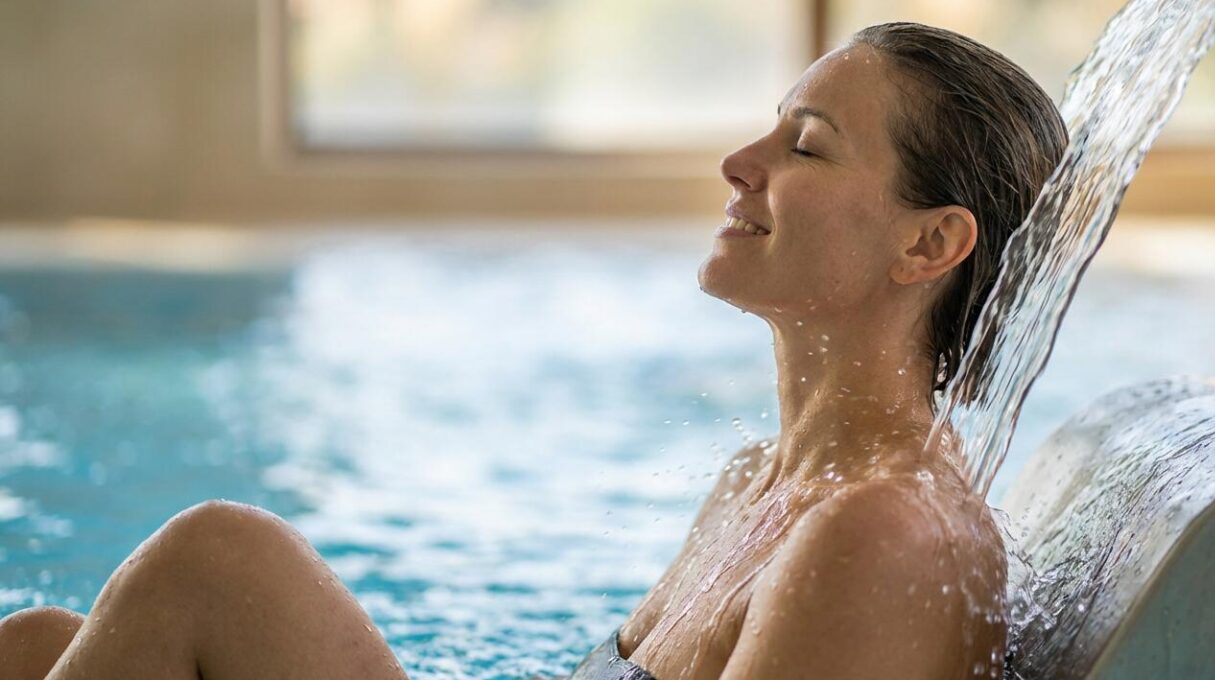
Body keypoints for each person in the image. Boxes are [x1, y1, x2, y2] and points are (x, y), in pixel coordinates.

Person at [0, 21, 1065, 680]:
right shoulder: (767, 485)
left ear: (929, 241)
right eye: (770, 127)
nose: (741, 162)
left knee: (217, 560)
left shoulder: (882, 529)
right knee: (41, 641)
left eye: (807, 147)